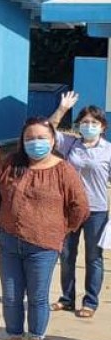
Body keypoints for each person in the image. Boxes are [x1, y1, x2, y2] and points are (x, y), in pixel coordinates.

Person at [0, 117, 88, 340]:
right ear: (22, 141)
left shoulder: (63, 170)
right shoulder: (11, 164)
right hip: (9, 241)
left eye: (41, 138)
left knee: (38, 298)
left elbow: (80, 207)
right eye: (30, 138)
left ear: (52, 140)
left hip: (43, 246)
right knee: (11, 297)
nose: (35, 143)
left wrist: (60, 229)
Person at [48, 91, 110, 318]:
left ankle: (90, 301)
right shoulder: (70, 144)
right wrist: (62, 108)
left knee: (93, 258)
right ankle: (67, 298)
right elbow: (48, 130)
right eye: (85, 122)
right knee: (66, 255)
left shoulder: (108, 150)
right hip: (69, 209)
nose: (89, 126)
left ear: (102, 127)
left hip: (97, 211)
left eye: (94, 122)